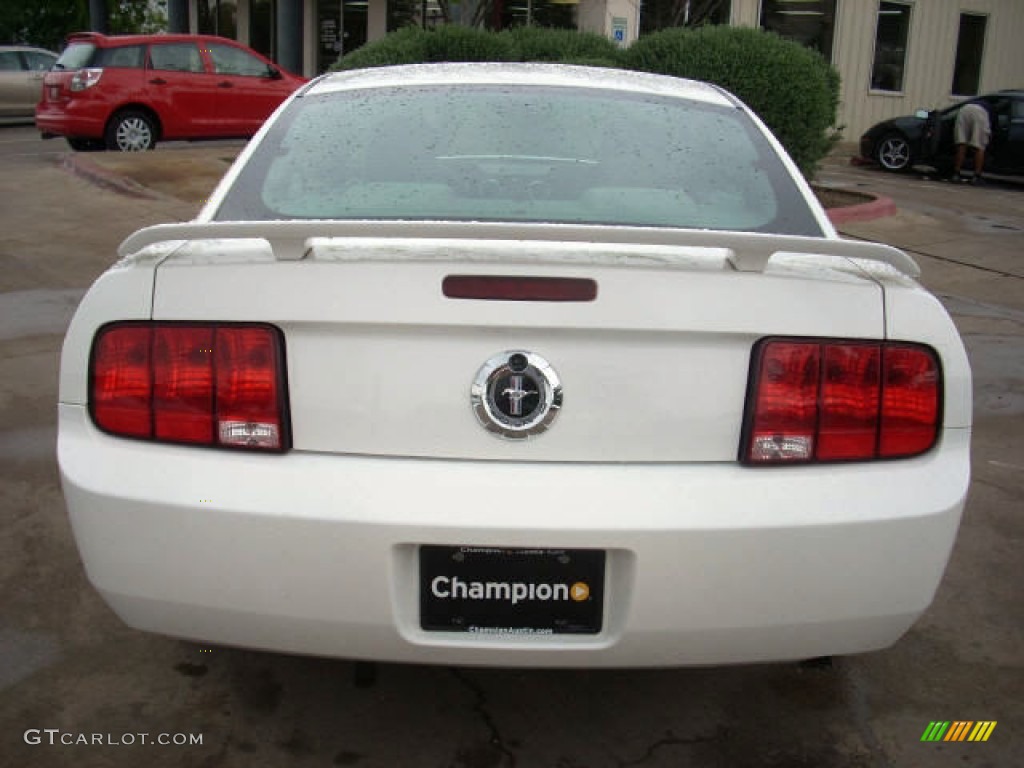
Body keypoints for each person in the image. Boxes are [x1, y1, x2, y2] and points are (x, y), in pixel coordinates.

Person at [952, 102, 991, 184]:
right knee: (979, 146)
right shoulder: (989, 110)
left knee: (961, 143)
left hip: (964, 110)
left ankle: (956, 174)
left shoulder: (984, 101)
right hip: (980, 112)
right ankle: (976, 176)